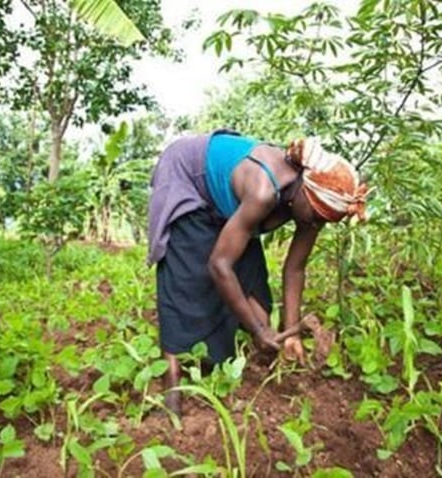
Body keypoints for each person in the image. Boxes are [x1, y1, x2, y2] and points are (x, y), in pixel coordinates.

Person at [146, 129, 367, 415]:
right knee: (188, 281)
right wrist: (258, 330)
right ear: (305, 189)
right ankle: (172, 392)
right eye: (315, 215)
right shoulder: (264, 191)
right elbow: (219, 265)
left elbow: (295, 268)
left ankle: (222, 371)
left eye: (323, 220)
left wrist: (291, 334)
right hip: (187, 177)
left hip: (231, 206)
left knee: (253, 289)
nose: (315, 223)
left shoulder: (312, 205)